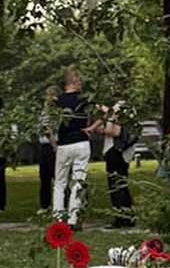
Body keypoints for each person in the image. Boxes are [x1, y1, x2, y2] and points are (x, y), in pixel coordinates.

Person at [52, 67, 93, 223]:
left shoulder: (57, 102)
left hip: (64, 144)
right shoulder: (85, 100)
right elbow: (106, 112)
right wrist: (92, 128)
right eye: (79, 81)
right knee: (78, 181)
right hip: (81, 142)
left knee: (60, 183)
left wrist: (53, 140)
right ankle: (73, 218)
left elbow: (48, 123)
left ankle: (58, 218)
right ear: (74, 83)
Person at [94, 100, 134, 228]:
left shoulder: (121, 107)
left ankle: (120, 218)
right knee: (122, 184)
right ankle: (128, 216)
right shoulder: (125, 107)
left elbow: (116, 131)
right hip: (121, 152)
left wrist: (102, 129)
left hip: (116, 151)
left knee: (116, 185)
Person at [37, 85, 56, 211]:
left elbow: (48, 129)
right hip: (44, 146)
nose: (47, 97)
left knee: (57, 175)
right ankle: (45, 204)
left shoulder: (57, 112)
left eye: (50, 95)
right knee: (44, 177)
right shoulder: (44, 111)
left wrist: (54, 145)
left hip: (53, 145)